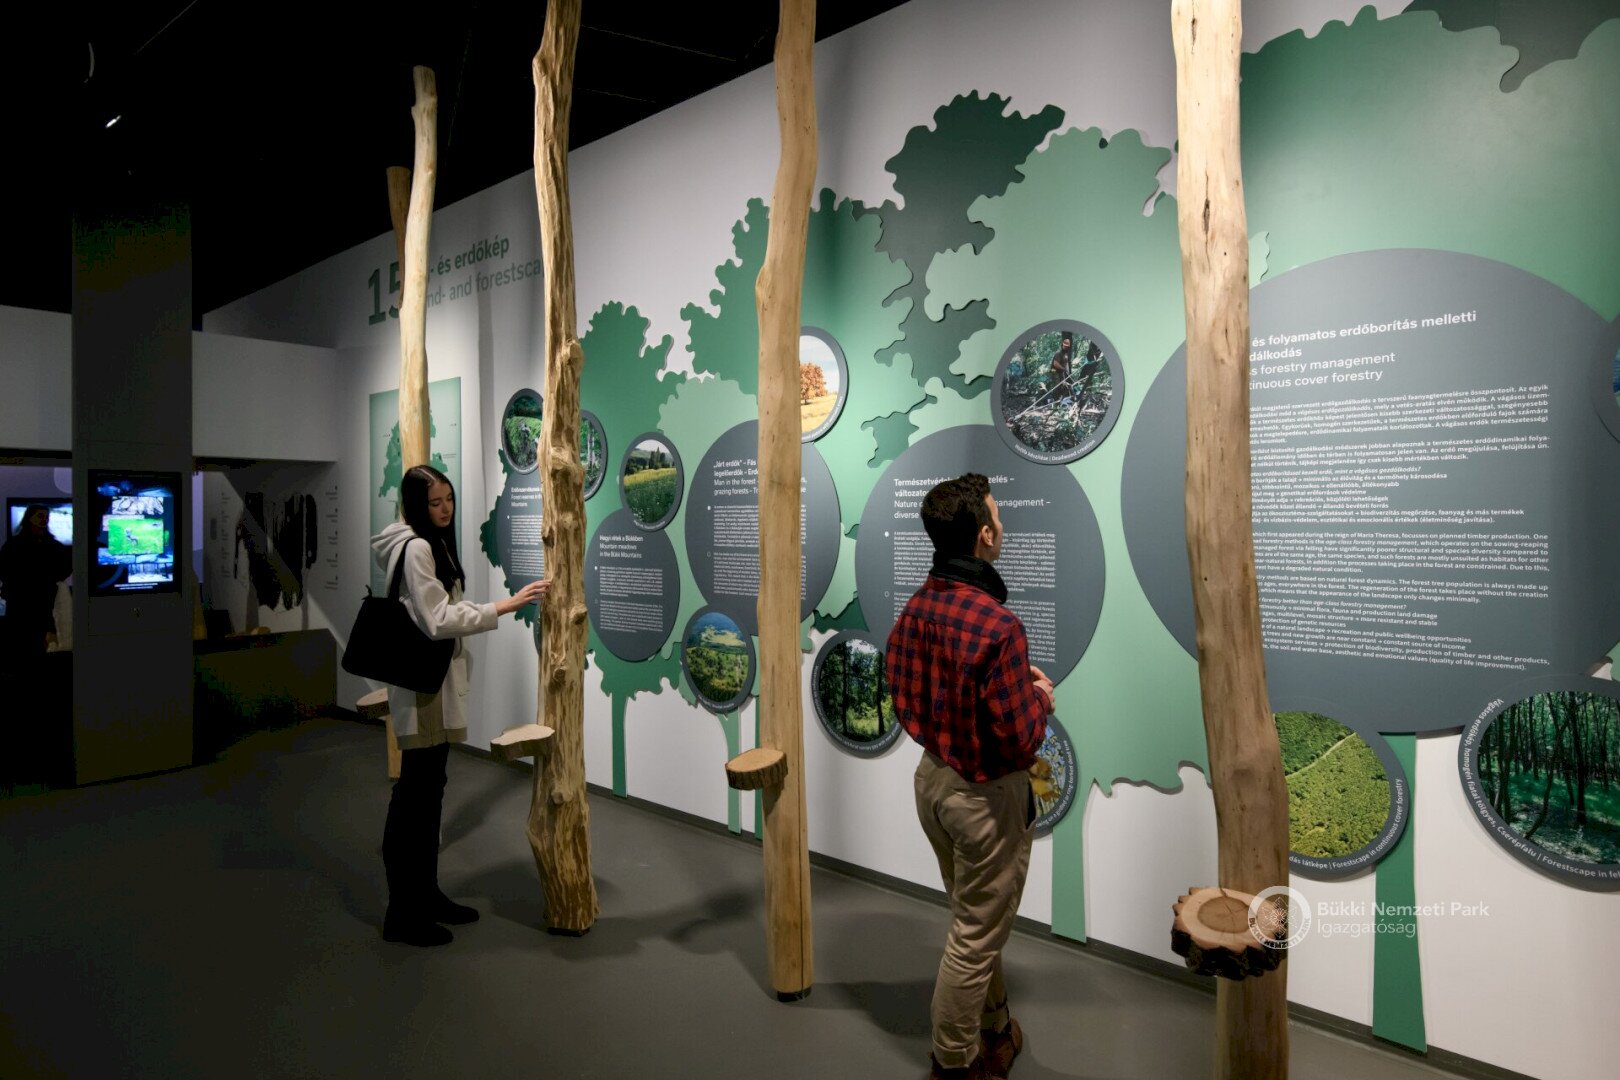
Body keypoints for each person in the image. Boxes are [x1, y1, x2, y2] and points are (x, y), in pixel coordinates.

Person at [886, 473, 1054, 1080]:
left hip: (932, 782)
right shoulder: (998, 626)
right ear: (984, 535)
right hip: (984, 801)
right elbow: (1021, 738)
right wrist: (1039, 697)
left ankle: (997, 1024)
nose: (1002, 526)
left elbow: (905, 689)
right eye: (997, 518)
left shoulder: (919, 605)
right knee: (974, 939)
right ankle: (953, 1063)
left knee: (972, 917)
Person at [370, 465, 547, 947]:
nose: (445, 509)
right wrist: (502, 606)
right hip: (423, 688)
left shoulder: (429, 543)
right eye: (435, 502)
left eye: (449, 499)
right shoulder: (416, 548)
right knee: (415, 797)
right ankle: (402, 913)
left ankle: (425, 895)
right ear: (416, 505)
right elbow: (436, 619)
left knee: (430, 792)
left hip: (433, 684)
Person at [0, 504, 73, 666]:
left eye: (46, 516)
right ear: (29, 518)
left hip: (43, 599)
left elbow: (67, 565)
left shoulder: (52, 545)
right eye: (40, 516)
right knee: (19, 640)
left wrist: (50, 578)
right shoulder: (14, 545)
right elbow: (4, 569)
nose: (44, 520)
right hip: (19, 599)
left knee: (39, 641)